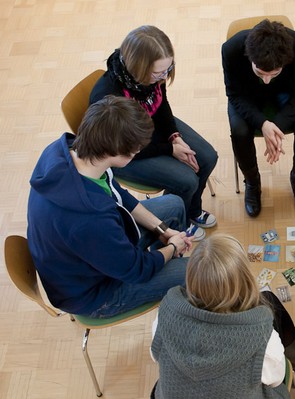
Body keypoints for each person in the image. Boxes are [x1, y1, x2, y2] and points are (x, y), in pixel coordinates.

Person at [27, 96, 192, 318]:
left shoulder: (65, 151)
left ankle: (164, 265)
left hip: (92, 255)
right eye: (137, 150)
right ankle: (171, 283)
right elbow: (136, 269)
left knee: (174, 204)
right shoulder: (90, 219)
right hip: (94, 293)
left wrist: (164, 231)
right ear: (118, 152)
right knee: (193, 272)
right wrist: (171, 248)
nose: (139, 153)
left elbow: (117, 194)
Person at [90, 25, 218, 241]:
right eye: (159, 72)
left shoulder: (152, 77)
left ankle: (193, 209)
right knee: (186, 181)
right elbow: (124, 150)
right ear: (138, 68)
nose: (164, 77)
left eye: (168, 69)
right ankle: (179, 224)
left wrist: (174, 136)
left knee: (207, 157)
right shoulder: (109, 96)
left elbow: (160, 104)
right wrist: (170, 149)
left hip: (149, 128)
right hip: (127, 150)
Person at [151, 234, 295, 398]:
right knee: (271, 301)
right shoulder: (264, 340)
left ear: (190, 276)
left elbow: (155, 354)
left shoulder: (163, 316)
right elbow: (276, 380)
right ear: (245, 280)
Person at [222, 19, 295, 217]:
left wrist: (276, 126)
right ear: (250, 57)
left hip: (287, 91)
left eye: (273, 73)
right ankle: (253, 183)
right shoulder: (231, 49)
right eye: (260, 72)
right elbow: (234, 95)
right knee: (239, 131)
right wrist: (263, 124)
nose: (266, 80)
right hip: (247, 95)